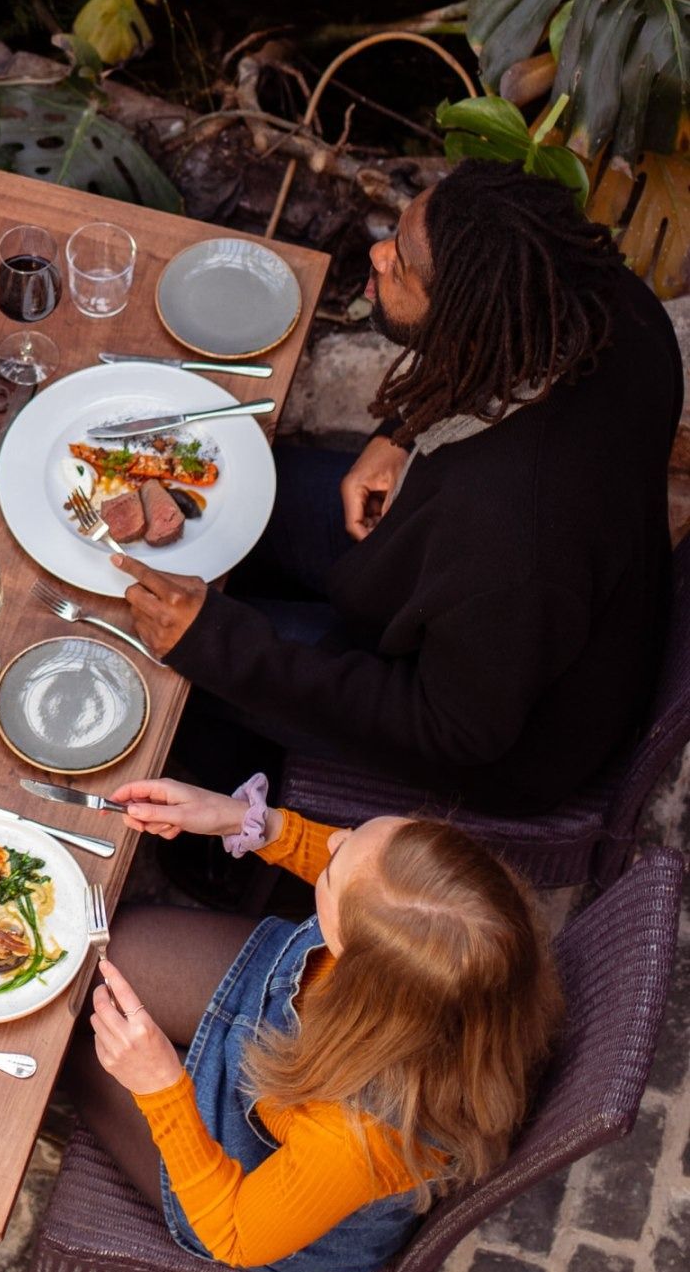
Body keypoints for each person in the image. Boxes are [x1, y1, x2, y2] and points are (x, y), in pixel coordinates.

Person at [115, 160, 681, 815]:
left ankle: (232, 824)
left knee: (160, 662)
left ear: (467, 317)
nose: (379, 254)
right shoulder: (599, 300)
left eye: (403, 266)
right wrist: (402, 432)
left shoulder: (513, 542)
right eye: (399, 235)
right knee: (233, 488)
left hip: (483, 727)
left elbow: (449, 731)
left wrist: (217, 644)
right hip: (461, 584)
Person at [70, 774, 561, 1272]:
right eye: (352, 836)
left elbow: (234, 1234)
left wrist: (162, 1087)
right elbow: (374, 883)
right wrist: (249, 822)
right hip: (276, 1001)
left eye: (331, 871)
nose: (333, 840)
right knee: (73, 949)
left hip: (247, 1184)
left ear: (355, 960)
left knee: (66, 1043)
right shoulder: (472, 927)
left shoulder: (359, 1139)